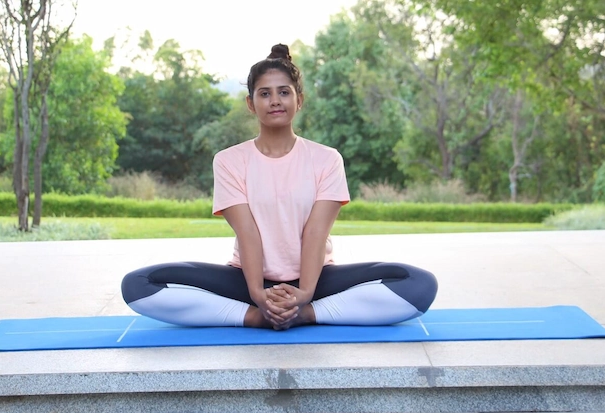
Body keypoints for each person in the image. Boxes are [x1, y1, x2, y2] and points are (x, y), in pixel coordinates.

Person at [122, 44, 438, 330]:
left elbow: (315, 233)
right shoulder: (229, 161)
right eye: (264, 94)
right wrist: (258, 295)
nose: (275, 101)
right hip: (247, 280)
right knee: (138, 284)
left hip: (316, 280)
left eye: (284, 92)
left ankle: (308, 314)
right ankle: (254, 318)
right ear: (251, 103)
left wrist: (305, 295)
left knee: (419, 284)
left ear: (299, 100)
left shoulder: (327, 159)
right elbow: (248, 233)